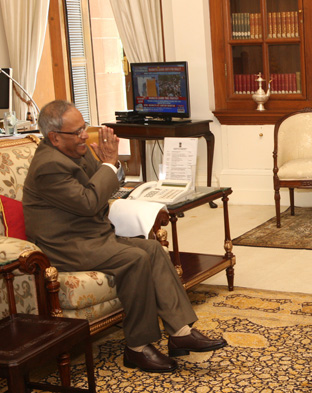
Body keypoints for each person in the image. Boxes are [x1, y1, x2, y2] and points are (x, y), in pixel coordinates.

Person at [23, 100, 227, 373]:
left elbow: (104, 182)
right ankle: (137, 348)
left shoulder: (75, 150)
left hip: (91, 235)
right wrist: (108, 165)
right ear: (55, 137)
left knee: (152, 250)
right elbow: (89, 201)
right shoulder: (48, 166)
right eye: (78, 132)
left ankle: (180, 332)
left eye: (84, 127)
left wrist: (112, 163)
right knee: (135, 259)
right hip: (66, 245)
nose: (85, 135)